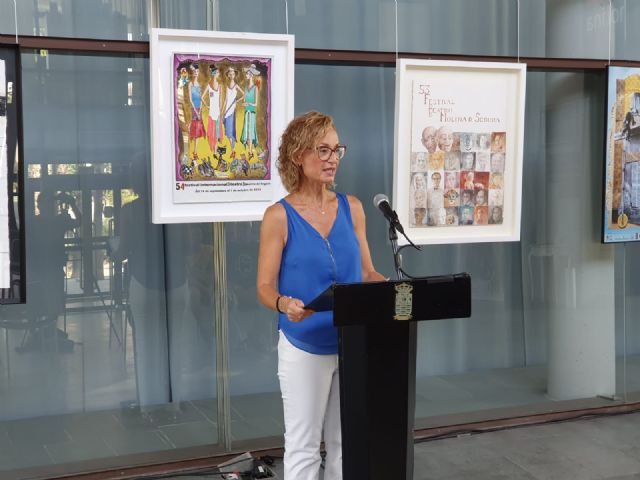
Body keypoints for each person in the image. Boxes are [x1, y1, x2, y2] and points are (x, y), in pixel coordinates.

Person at [256, 111, 385, 479]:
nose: (333, 159)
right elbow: (264, 287)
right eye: (323, 150)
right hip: (304, 344)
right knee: (304, 446)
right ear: (299, 155)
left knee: (346, 443)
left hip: (352, 341)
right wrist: (283, 303)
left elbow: (366, 272)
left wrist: (389, 288)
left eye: (337, 150)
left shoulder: (353, 208)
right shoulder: (278, 216)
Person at [223, 66, 245, 151]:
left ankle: (233, 149)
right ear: (228, 75)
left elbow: (244, 94)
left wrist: (237, 100)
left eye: (233, 74)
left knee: (230, 129)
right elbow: (226, 99)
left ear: (234, 75)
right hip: (227, 109)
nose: (232, 75)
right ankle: (233, 148)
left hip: (232, 109)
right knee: (227, 128)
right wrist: (223, 110)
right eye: (230, 74)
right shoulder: (227, 86)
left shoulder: (236, 85)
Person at [241, 64, 260, 156]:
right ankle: (249, 151)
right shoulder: (245, 88)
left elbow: (256, 104)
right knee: (246, 131)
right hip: (246, 112)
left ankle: (250, 151)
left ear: (251, 75)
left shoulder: (255, 88)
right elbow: (243, 101)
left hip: (252, 113)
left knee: (251, 131)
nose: (246, 75)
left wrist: (249, 104)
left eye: (247, 74)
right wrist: (244, 103)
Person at [205, 65, 223, 152]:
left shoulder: (219, 86)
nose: (219, 73)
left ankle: (215, 150)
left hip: (216, 112)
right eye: (217, 72)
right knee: (213, 131)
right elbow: (202, 97)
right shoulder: (209, 86)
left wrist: (220, 111)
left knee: (216, 131)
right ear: (214, 73)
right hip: (213, 112)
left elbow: (220, 101)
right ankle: (214, 150)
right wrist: (207, 105)